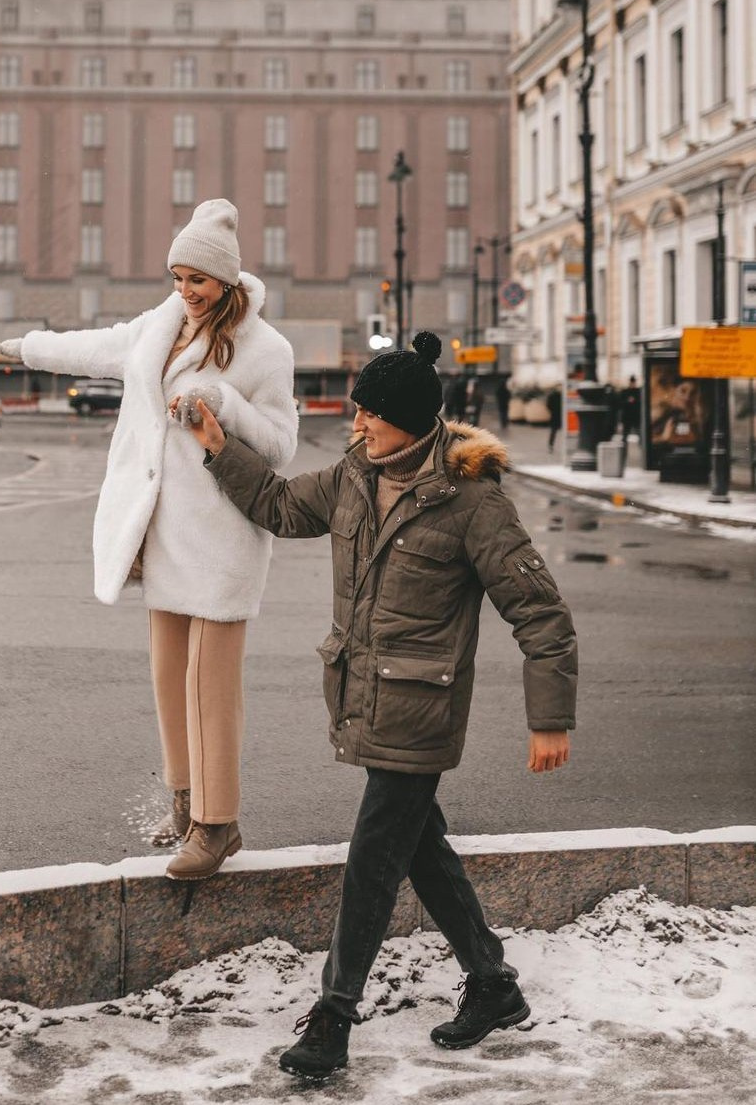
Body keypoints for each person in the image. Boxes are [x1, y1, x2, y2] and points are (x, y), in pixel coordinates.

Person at [179, 331, 577, 1083]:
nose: (355, 425)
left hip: (420, 711)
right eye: (357, 413)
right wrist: (217, 443)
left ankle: (334, 1015)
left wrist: (549, 716)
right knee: (418, 846)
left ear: (412, 419)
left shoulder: (472, 503)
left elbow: (541, 612)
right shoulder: (353, 477)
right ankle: (493, 985)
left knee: (372, 857)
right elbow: (277, 504)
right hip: (363, 696)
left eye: (369, 414)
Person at [0, 199, 298, 880]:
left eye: (198, 280)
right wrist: (30, 347)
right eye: (177, 276)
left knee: (208, 682)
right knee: (168, 674)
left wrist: (225, 402)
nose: (185, 291)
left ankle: (219, 826)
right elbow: (97, 345)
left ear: (226, 281)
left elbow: (281, 443)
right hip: (163, 530)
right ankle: (186, 802)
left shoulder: (265, 349)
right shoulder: (161, 327)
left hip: (222, 535)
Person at [619, 375, 641, 441]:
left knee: (639, 432)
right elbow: (621, 403)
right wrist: (627, 401)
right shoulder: (625, 391)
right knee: (625, 434)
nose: (632, 384)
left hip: (635, 415)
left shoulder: (638, 391)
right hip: (628, 416)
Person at [546, 384, 562, 453]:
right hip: (555, 415)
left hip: (560, 415)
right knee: (553, 431)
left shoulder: (562, 396)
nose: (560, 388)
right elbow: (548, 405)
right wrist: (553, 410)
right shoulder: (552, 396)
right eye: (559, 387)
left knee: (555, 431)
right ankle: (551, 445)